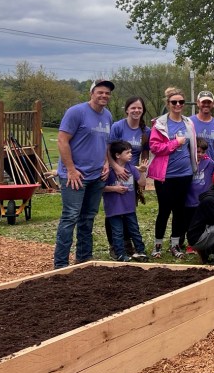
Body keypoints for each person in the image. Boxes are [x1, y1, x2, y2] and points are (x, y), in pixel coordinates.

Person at [53, 79, 114, 269]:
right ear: (92, 93)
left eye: (107, 93)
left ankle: (84, 259)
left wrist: (105, 162)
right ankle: (61, 264)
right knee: (70, 217)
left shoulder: (108, 116)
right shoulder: (76, 112)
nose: (104, 96)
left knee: (88, 217)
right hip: (75, 176)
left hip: (96, 176)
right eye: (100, 92)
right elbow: (62, 141)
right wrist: (70, 170)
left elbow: (105, 142)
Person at [148, 86, 199, 258]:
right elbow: (155, 147)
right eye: (174, 102)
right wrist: (175, 143)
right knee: (164, 210)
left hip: (185, 174)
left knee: (180, 211)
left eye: (181, 102)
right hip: (166, 176)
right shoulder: (160, 124)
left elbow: (192, 146)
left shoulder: (188, 123)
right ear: (168, 103)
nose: (178, 105)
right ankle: (157, 246)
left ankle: (176, 245)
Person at [106, 95, 149, 256]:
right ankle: (115, 246)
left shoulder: (145, 131)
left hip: (132, 172)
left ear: (143, 110)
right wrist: (116, 167)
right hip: (116, 170)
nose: (136, 110)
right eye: (133, 108)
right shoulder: (118, 126)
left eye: (139, 108)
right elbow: (109, 150)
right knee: (115, 209)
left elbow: (145, 151)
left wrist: (142, 170)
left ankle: (127, 243)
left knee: (129, 210)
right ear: (127, 110)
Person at [102, 140, 146, 262]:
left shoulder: (131, 168)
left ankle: (140, 251)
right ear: (117, 155)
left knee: (134, 230)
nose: (131, 155)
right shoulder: (108, 171)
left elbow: (142, 183)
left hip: (129, 207)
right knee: (117, 232)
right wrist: (114, 189)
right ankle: (120, 254)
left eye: (131, 152)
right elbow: (100, 188)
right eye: (127, 153)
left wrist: (142, 173)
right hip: (114, 208)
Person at [191, 90, 214, 168]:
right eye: (203, 102)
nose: (206, 104)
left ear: (213, 104)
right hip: (192, 166)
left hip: (210, 167)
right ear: (198, 103)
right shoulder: (189, 122)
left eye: (209, 102)